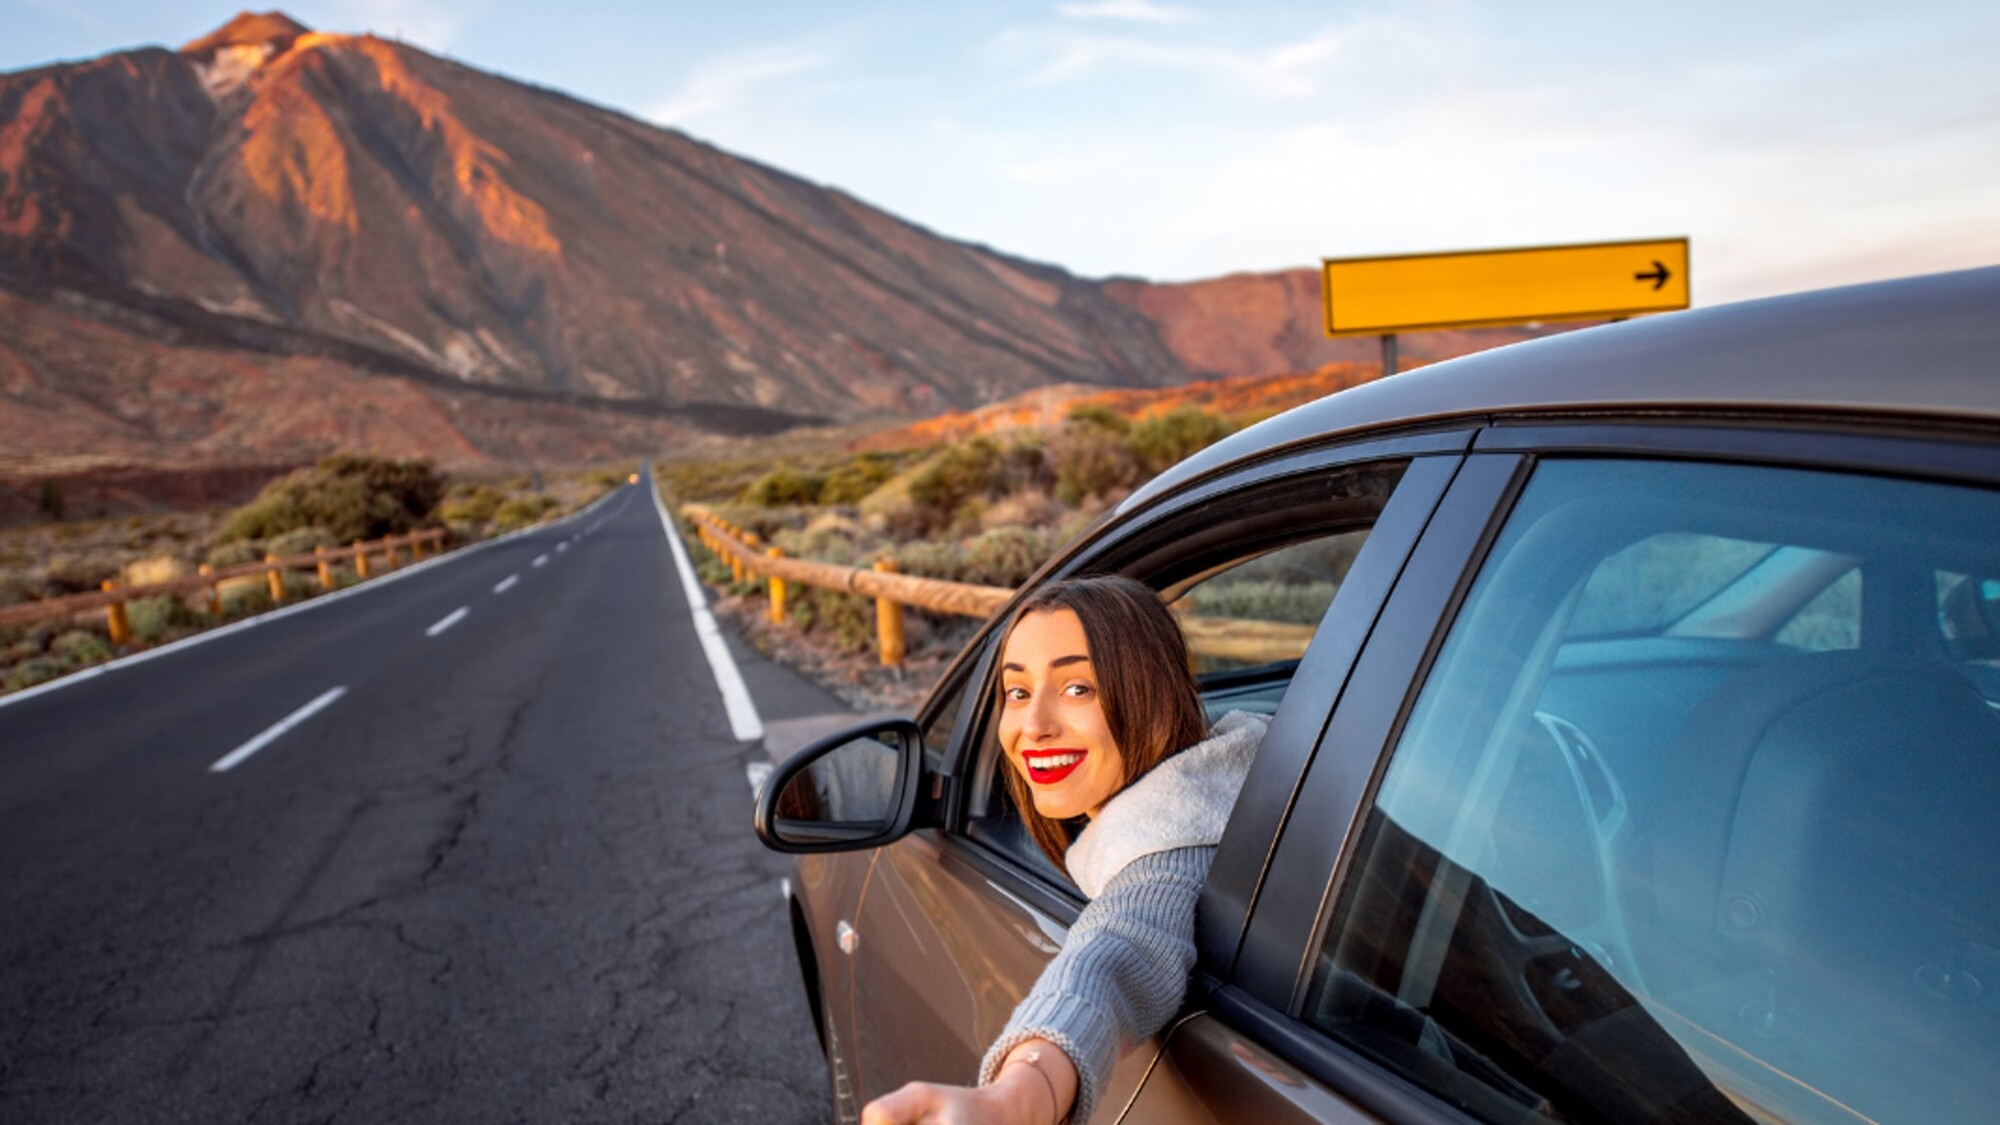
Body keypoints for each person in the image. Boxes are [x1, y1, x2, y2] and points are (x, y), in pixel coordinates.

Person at [862, 575, 1270, 1124]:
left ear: (1150, 694)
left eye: (1079, 688)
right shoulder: (1244, 775)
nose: (1033, 726)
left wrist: (1014, 1100)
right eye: (1017, 692)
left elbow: (1116, 952)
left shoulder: (1168, 847)